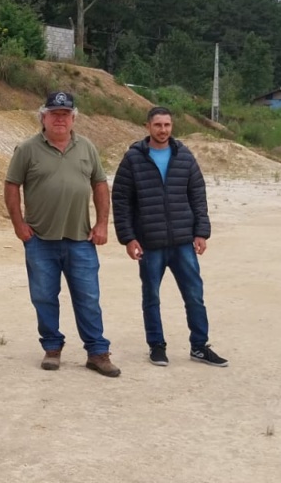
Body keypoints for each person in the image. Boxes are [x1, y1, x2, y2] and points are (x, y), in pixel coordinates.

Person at [4, 92, 119, 377]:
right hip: (40, 239)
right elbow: (11, 186)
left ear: (73, 118)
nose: (59, 118)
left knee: (88, 297)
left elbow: (101, 185)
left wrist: (103, 224)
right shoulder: (28, 149)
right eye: (54, 113)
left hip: (81, 238)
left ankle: (97, 352)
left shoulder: (87, 147)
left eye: (65, 114)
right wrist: (19, 224)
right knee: (43, 296)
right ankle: (52, 348)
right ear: (43, 116)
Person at [111, 106, 229, 368]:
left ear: (171, 127)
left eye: (167, 125)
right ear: (147, 127)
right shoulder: (133, 159)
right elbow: (121, 201)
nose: (163, 130)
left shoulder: (184, 157)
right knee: (151, 296)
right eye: (157, 125)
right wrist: (128, 238)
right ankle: (157, 346)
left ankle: (199, 346)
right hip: (150, 242)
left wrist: (201, 232)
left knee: (194, 295)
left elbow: (198, 196)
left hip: (182, 242)